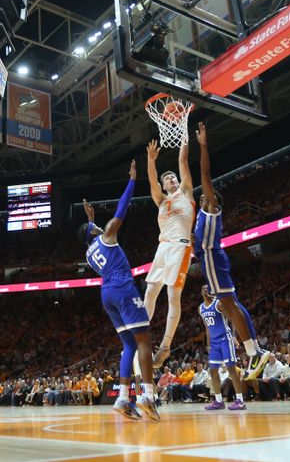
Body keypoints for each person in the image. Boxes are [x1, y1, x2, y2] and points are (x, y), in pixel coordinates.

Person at [78, 160, 160, 421]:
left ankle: (123, 399)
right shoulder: (106, 236)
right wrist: (132, 181)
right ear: (95, 232)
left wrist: (90, 221)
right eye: (96, 227)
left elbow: (93, 234)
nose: (102, 227)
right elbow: (120, 211)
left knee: (128, 345)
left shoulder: (89, 254)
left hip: (107, 295)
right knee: (144, 338)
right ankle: (148, 395)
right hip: (123, 289)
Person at [194, 123, 264, 366]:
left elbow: (205, 176)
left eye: (205, 195)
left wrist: (203, 146)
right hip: (211, 260)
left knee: (228, 304)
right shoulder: (200, 215)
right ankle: (254, 348)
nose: (202, 197)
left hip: (212, 258)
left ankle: (253, 352)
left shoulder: (212, 209)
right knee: (231, 303)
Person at [144, 139, 194, 368]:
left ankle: (165, 346)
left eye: (173, 177)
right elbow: (152, 182)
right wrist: (150, 160)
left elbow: (183, 161)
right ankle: (141, 330)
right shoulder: (161, 200)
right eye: (167, 179)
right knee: (151, 290)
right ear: (164, 186)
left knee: (173, 296)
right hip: (163, 247)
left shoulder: (186, 192)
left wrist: (184, 137)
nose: (171, 179)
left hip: (181, 246)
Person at [199, 285, 245, 410]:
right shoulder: (201, 308)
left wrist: (234, 336)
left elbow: (233, 318)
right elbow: (207, 328)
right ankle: (218, 401)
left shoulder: (218, 304)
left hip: (225, 339)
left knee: (231, 369)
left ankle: (240, 400)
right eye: (203, 289)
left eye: (208, 288)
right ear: (201, 292)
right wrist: (208, 345)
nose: (206, 290)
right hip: (214, 343)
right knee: (213, 371)